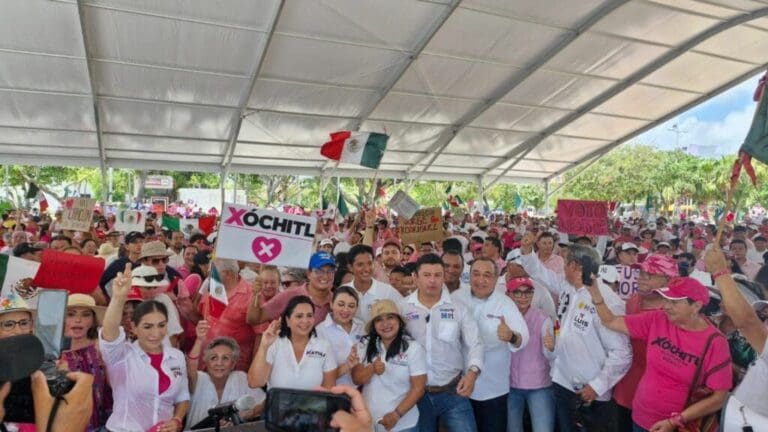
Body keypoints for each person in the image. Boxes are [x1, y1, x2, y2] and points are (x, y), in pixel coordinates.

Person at [586, 276, 732, 432]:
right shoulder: (658, 319)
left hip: (680, 426)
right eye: (666, 300)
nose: (666, 306)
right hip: (641, 417)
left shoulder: (715, 343)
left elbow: (719, 398)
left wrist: (676, 421)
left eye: (674, 302)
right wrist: (596, 293)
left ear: (696, 306)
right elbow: (611, 321)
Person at [518, 232, 631, 432]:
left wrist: (597, 386)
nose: (562, 267)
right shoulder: (569, 288)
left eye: (565, 263)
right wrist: (527, 252)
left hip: (589, 393)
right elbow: (541, 273)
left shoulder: (607, 302)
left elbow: (622, 353)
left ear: (576, 267)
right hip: (563, 382)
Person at [100, 264, 190, 432]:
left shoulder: (176, 356)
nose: (156, 333)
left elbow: (183, 396)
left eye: (161, 325)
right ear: (134, 327)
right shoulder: (121, 356)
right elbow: (109, 333)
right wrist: (118, 298)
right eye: (147, 327)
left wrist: (177, 420)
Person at [402, 253, 483, 432]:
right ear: (415, 277)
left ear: (444, 277)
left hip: (453, 391)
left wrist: (472, 373)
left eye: (437, 275)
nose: (432, 280)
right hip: (415, 394)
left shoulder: (458, 308)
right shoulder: (402, 308)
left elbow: (475, 343)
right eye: (427, 275)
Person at [452, 257, 528, 432]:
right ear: (468, 276)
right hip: (460, 385)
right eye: (476, 274)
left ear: (496, 278)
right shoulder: (456, 297)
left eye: (487, 275)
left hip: (493, 388)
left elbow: (523, 338)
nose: (481, 280)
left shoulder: (505, 303)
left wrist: (511, 336)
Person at [612, 254, 678, 430]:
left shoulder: (676, 314)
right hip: (625, 387)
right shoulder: (634, 299)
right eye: (640, 273)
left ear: (668, 279)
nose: (641, 278)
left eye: (649, 275)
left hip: (657, 399)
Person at [705, 248, 768, 431]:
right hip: (735, 413)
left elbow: (747, 322)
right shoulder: (714, 321)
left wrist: (719, 270)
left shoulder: (753, 338)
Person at [352, 300, 427, 432]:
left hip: (404, 425)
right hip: (370, 423)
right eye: (379, 320)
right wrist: (372, 369)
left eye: (390, 317)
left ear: (399, 321)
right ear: (374, 325)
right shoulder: (365, 344)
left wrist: (396, 415)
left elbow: (418, 388)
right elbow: (356, 378)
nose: (385, 324)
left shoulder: (413, 348)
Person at [185, 321, 265, 429]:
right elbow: (190, 369)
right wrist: (199, 340)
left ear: (233, 364)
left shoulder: (240, 378)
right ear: (206, 362)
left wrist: (246, 414)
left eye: (225, 358)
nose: (219, 363)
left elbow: (266, 403)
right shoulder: (198, 379)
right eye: (214, 358)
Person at [247, 296, 337, 390]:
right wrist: (264, 346)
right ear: (287, 320)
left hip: (311, 404)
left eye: (309, 315)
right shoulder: (274, 344)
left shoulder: (324, 346)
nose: (305, 321)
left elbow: (328, 389)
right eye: (299, 316)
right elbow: (254, 382)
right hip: (277, 404)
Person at [506, 277, 556, 432]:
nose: (523, 297)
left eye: (528, 292)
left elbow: (550, 355)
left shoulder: (542, 318)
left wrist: (551, 348)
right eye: (518, 293)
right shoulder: (503, 318)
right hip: (510, 384)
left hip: (539, 385)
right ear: (509, 294)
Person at [61, 293, 111, 432]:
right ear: (61, 318)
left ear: (93, 321)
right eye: (71, 314)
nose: (78, 320)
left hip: (101, 424)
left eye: (85, 314)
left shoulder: (101, 347)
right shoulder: (51, 353)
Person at [197, 258, 257, 372]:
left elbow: (260, 335)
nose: (208, 275)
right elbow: (201, 318)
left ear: (228, 274)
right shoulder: (212, 289)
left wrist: (254, 367)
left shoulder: (251, 295)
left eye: (212, 272)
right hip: (205, 364)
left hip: (234, 367)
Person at [248, 252, 335, 327]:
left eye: (330, 271)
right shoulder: (290, 295)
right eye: (319, 271)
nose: (325, 276)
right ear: (309, 273)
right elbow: (255, 319)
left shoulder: (338, 301)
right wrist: (256, 295)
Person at [316, 286, 364, 386]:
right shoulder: (320, 331)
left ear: (356, 308)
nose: (345, 310)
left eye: (351, 306)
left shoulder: (363, 327)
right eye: (341, 304)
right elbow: (318, 376)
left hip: (361, 394)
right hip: (333, 393)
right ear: (331, 304)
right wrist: (346, 366)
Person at [343, 245, 404, 322]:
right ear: (350, 267)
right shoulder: (343, 292)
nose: (367, 269)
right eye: (360, 264)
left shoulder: (388, 292)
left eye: (369, 263)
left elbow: (403, 315)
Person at [131, 265, 185, 347]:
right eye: (148, 288)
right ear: (134, 287)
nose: (152, 291)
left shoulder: (163, 300)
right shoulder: (126, 303)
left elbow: (173, 333)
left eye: (154, 287)